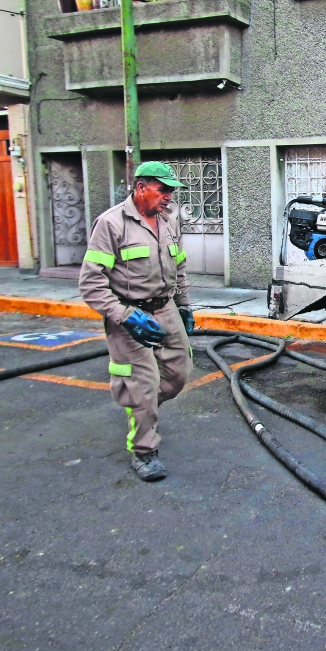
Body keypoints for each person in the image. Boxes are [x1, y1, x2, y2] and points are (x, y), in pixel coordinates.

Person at [79, 162, 196, 482]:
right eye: (163, 190)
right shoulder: (111, 224)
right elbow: (91, 284)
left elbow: (180, 267)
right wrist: (125, 317)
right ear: (141, 187)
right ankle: (144, 451)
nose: (169, 196)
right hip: (129, 314)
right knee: (143, 384)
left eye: (172, 191)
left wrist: (184, 306)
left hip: (166, 308)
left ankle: (142, 407)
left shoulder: (169, 220)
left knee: (178, 374)